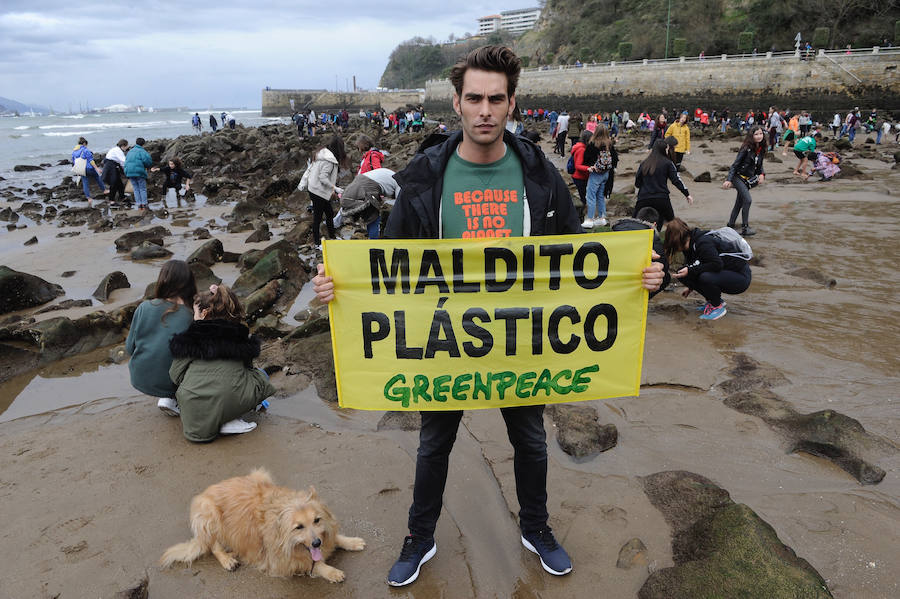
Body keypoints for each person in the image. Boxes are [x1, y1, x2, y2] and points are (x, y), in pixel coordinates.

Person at [311, 45, 664, 588]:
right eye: (474, 98)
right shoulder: (427, 174)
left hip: (521, 338)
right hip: (442, 339)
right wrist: (338, 285)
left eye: (495, 99)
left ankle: (537, 528)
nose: (484, 110)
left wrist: (636, 278)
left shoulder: (539, 175)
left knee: (531, 441)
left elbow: (574, 253)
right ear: (457, 102)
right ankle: (420, 537)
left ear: (511, 103)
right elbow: (389, 261)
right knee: (433, 445)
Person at [168, 284, 275, 442]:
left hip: (193, 413)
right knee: (260, 377)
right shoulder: (240, 337)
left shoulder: (189, 338)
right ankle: (229, 419)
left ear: (204, 313)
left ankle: (218, 418)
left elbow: (174, 375)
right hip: (230, 399)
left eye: (195, 312)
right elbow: (246, 372)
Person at [125, 260, 196, 416]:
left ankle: (168, 396)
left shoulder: (144, 307)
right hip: (170, 381)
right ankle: (172, 396)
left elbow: (130, 347)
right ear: (190, 283)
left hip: (139, 376)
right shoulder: (190, 316)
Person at [665, 217, 752, 321]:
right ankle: (713, 301)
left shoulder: (703, 243)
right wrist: (691, 286)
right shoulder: (689, 246)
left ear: (676, 240)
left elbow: (716, 264)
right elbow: (695, 265)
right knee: (683, 272)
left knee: (704, 277)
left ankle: (717, 306)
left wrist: (691, 271)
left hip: (740, 276)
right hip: (724, 273)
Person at [633, 139, 693, 230]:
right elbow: (676, 180)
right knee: (673, 225)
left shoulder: (644, 163)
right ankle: (669, 240)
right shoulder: (668, 163)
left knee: (635, 223)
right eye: (667, 149)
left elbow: (637, 183)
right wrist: (687, 194)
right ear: (664, 150)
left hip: (643, 199)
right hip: (661, 199)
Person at [724, 126, 765, 237]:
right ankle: (745, 228)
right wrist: (728, 180)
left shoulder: (761, 147)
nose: (759, 136)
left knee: (739, 203)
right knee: (748, 200)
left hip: (748, 179)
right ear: (751, 136)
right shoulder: (746, 148)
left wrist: (762, 174)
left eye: (761, 133)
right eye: (756, 134)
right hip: (738, 177)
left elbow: (760, 165)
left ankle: (730, 225)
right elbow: (734, 165)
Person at [307, 135, 347, 248]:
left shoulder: (322, 153)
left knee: (329, 213)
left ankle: (332, 237)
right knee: (318, 216)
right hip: (317, 191)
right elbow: (323, 178)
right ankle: (317, 243)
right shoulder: (329, 160)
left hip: (316, 188)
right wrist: (335, 188)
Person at [339, 167, 398, 239]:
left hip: (354, 187)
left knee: (368, 217)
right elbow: (399, 203)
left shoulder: (391, 176)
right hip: (367, 189)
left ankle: (371, 239)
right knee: (373, 217)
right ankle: (373, 243)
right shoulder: (400, 183)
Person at [582, 123, 616, 227]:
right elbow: (615, 159)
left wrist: (590, 167)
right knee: (600, 196)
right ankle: (602, 217)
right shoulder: (609, 144)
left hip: (596, 174)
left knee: (590, 196)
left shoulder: (593, 144)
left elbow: (586, 158)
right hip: (606, 174)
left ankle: (590, 219)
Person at [71, 137, 106, 205]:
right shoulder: (86, 150)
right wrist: (97, 168)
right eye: (86, 145)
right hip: (89, 168)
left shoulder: (74, 152)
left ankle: (88, 198)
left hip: (81, 169)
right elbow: (91, 161)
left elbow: (74, 162)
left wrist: (78, 171)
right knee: (97, 177)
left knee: (85, 182)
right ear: (84, 144)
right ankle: (104, 190)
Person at [124, 137, 153, 211]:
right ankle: (144, 204)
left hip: (129, 172)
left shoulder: (130, 151)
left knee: (136, 189)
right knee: (142, 188)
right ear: (143, 144)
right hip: (139, 172)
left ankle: (139, 205)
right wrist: (147, 167)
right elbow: (148, 161)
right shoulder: (142, 151)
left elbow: (126, 162)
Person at [570, 130, 591, 219]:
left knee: (584, 196)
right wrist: (589, 168)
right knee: (583, 198)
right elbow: (578, 166)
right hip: (579, 177)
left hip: (581, 177)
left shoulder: (580, 147)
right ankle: (581, 215)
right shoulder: (581, 150)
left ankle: (582, 214)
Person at [102, 139, 129, 206]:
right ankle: (111, 200)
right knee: (113, 183)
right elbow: (123, 161)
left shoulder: (115, 149)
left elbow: (121, 163)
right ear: (123, 145)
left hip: (112, 166)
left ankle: (122, 197)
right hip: (111, 167)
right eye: (126, 146)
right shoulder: (118, 150)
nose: (127, 148)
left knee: (119, 183)